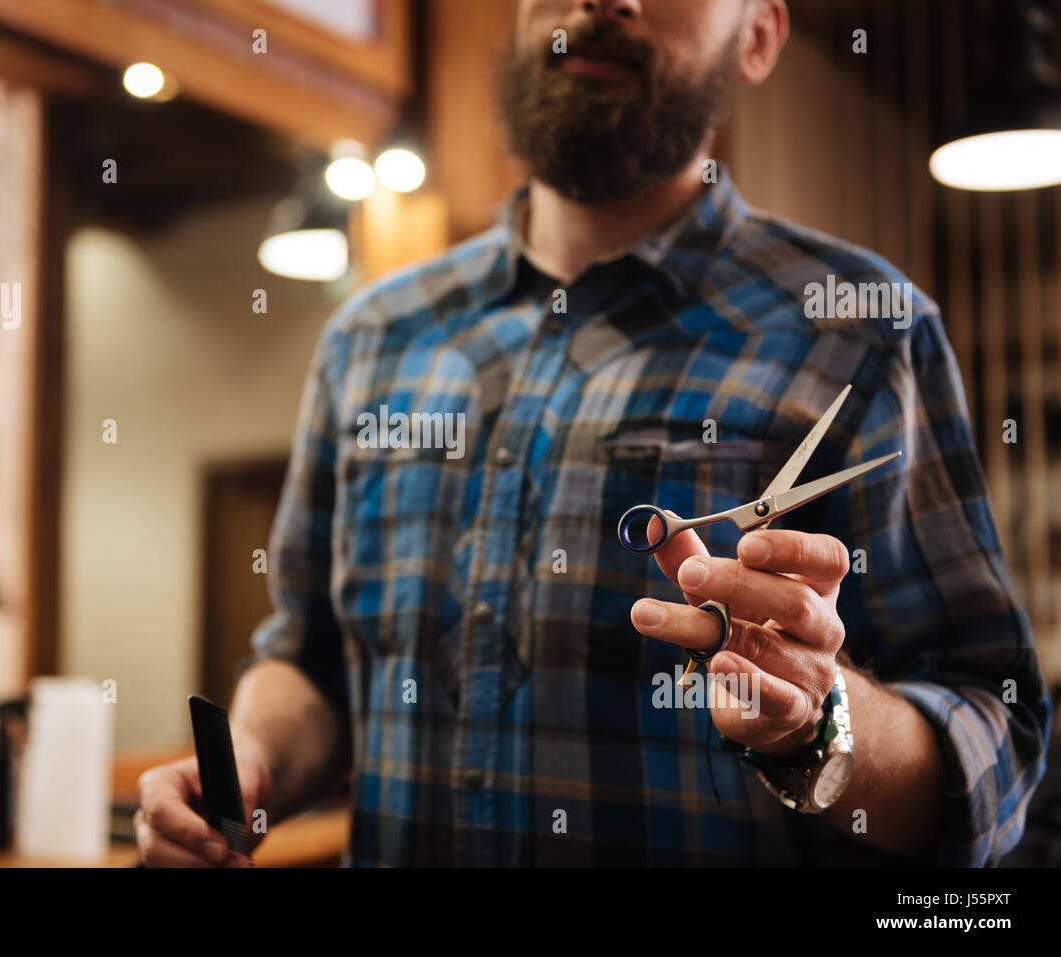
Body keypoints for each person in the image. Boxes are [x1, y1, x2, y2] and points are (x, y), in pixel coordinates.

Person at [135, 0, 1050, 866]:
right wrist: (248, 768)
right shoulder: (371, 341)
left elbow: (997, 747)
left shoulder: (863, 332)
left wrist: (824, 724)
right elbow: (313, 661)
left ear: (760, 35)